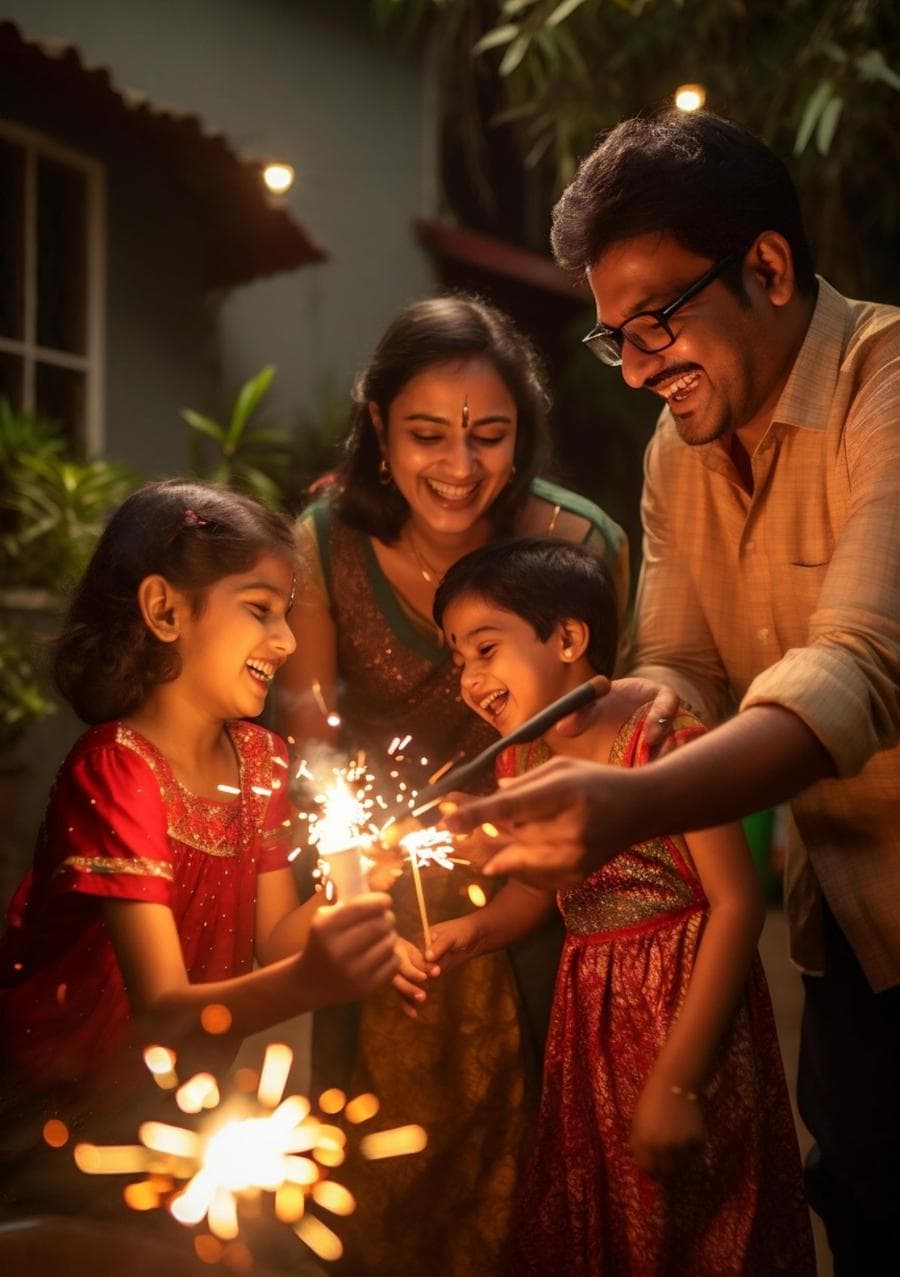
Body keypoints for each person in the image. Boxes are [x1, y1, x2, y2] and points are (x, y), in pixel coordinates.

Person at [446, 110, 900, 1273]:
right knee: (864, 1194)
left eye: (656, 319)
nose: (641, 365)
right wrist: (571, 737)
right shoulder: (677, 452)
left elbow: (857, 663)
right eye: (616, 339)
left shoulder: (885, 383)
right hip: (845, 917)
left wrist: (633, 801)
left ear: (768, 266)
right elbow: (675, 670)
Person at [277, 295, 628, 1276]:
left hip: (539, 891)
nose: (460, 465)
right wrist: (355, 902)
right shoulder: (326, 542)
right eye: (427, 434)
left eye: (489, 435)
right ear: (379, 428)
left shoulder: (582, 544)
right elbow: (313, 743)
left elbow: (609, 741)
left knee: (537, 1174)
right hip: (373, 886)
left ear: (522, 434)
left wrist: (526, 874)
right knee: (372, 1175)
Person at [0, 479, 398, 1221]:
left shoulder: (263, 761)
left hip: (171, 1112)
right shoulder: (116, 769)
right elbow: (163, 1012)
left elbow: (277, 943)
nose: (286, 641)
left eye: (287, 613)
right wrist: (314, 980)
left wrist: (361, 877)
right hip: (61, 1111)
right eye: (260, 609)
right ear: (165, 610)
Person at [415, 537, 812, 1274]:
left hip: (685, 1016)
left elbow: (737, 906)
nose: (470, 678)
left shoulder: (663, 745)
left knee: (695, 1225)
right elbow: (538, 890)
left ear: (569, 638)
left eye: (486, 648)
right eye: (458, 658)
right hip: (590, 1027)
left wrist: (677, 1080)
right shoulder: (520, 760)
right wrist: (472, 930)